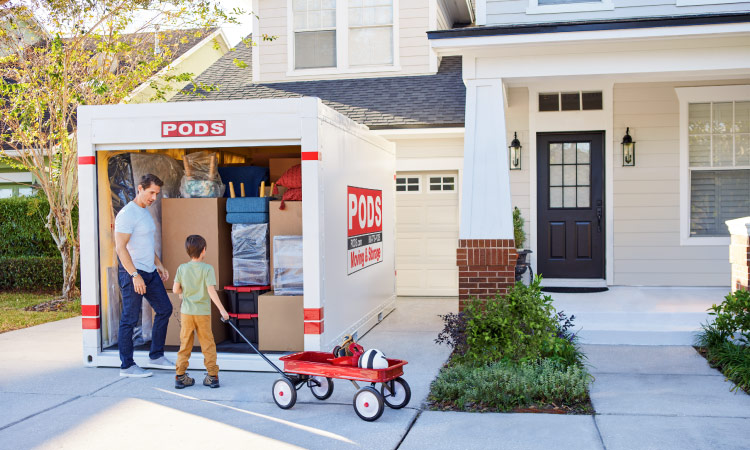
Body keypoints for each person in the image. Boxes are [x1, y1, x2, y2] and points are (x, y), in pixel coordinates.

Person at [115, 173, 174, 377]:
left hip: (149, 271)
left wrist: (159, 264)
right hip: (133, 272)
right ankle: (127, 366)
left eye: (157, 194)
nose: (154, 198)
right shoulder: (127, 214)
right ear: (139, 188)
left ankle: (156, 356)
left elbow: (147, 245)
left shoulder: (144, 212)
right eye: (151, 193)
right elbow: (120, 248)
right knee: (130, 319)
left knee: (165, 309)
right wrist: (134, 275)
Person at [172, 234, 230, 389]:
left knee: (185, 343)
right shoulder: (207, 269)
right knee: (208, 344)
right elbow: (211, 291)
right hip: (203, 313)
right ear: (204, 250)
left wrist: (181, 294)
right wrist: (223, 310)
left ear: (187, 252)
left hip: (187, 313)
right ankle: (212, 376)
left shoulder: (182, 268)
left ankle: (180, 376)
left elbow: (175, 289)